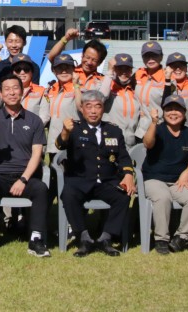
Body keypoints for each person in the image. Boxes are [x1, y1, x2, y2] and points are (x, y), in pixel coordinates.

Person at [0, 75, 51, 257]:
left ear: (22, 91)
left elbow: (36, 154)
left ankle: (36, 239)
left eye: (15, 88)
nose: (11, 92)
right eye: (7, 89)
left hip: (26, 176)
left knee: (41, 189)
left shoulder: (34, 120)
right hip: (0, 175)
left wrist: (23, 179)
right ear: (0, 94)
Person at [56, 90, 136, 257]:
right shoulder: (74, 128)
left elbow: (123, 157)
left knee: (123, 196)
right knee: (68, 195)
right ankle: (84, 238)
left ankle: (106, 238)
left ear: (103, 109)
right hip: (80, 180)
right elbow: (60, 145)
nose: (93, 111)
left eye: (97, 107)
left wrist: (128, 175)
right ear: (82, 109)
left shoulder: (114, 131)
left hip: (106, 181)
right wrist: (65, 131)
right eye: (89, 107)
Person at [141, 95, 188, 254]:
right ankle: (161, 238)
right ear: (163, 112)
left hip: (177, 181)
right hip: (154, 179)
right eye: (169, 109)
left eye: (177, 109)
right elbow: (147, 143)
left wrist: (186, 173)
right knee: (162, 197)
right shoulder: (158, 129)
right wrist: (153, 123)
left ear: (184, 112)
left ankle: (182, 237)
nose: (173, 113)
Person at [97, 53, 141, 146]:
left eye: (127, 69)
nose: (123, 72)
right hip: (109, 143)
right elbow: (100, 98)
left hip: (131, 145)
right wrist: (110, 72)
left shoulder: (134, 91)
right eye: (119, 68)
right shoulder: (106, 86)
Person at [46, 54, 80, 156]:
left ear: (74, 69)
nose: (64, 71)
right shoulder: (50, 89)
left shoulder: (79, 89)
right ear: (54, 71)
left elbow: (81, 106)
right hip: (53, 144)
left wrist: (76, 85)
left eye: (67, 67)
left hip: (73, 144)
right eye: (60, 68)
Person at [161, 52, 188, 127]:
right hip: (171, 129)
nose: (178, 69)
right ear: (167, 69)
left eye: (181, 65)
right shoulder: (163, 85)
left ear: (186, 68)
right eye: (174, 66)